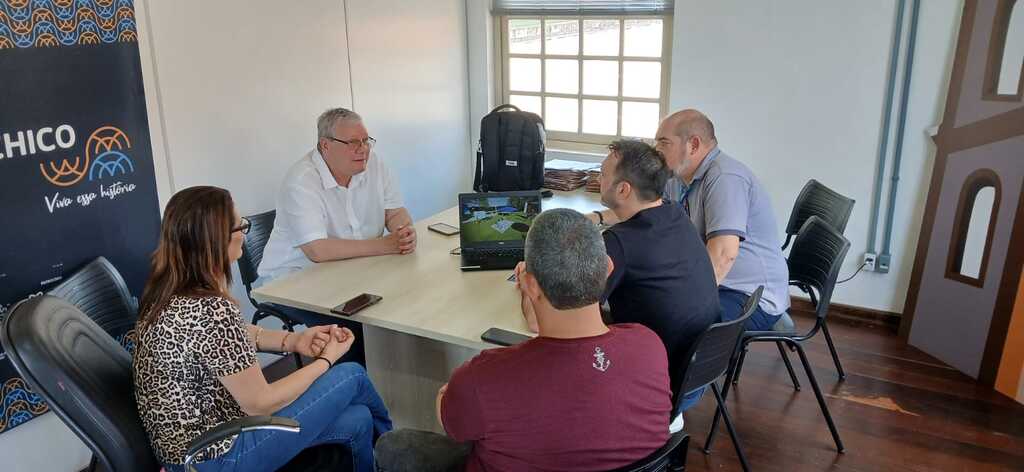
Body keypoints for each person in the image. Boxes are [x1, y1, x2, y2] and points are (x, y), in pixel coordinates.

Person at [375, 209, 672, 472]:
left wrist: (449, 393)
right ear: (608, 268)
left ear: (528, 283)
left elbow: (450, 421)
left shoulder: (484, 376)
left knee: (393, 446)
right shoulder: (650, 347)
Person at [132, 186, 392, 472]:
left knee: (358, 420)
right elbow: (260, 403)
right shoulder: (211, 309)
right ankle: (398, 455)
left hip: (192, 452)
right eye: (239, 225)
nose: (244, 230)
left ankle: (384, 460)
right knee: (351, 374)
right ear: (215, 239)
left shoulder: (166, 291)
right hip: (218, 457)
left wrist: (294, 341)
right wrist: (326, 360)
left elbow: (235, 333)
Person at [594, 110, 789, 330]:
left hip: (746, 294)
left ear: (693, 145)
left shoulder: (725, 178)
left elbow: (724, 255)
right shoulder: (678, 177)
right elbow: (643, 205)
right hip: (716, 283)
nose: (656, 151)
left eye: (663, 143)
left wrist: (684, 298)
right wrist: (597, 217)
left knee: (655, 316)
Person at [257, 107, 416, 363]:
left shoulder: (374, 163)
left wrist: (402, 230)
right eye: (353, 143)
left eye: (366, 141)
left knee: (407, 303)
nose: (363, 149)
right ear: (325, 145)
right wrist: (386, 245)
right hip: (296, 282)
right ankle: (357, 387)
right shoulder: (301, 180)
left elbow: (394, 211)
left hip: (356, 270)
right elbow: (318, 251)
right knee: (351, 332)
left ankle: (398, 386)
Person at [594, 139, 719, 415]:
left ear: (623, 189)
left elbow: (578, 314)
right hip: (697, 370)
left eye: (602, 174)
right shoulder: (675, 213)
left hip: (656, 385)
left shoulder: (618, 243)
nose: (598, 179)